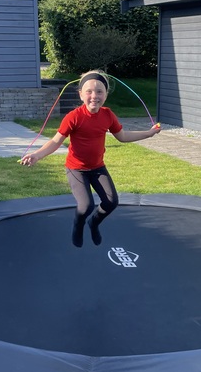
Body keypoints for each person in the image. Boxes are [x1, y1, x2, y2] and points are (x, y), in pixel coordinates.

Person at [20, 70, 161, 247]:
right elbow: (56, 141)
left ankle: (93, 223)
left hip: (97, 168)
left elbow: (123, 136)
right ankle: (78, 225)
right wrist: (36, 155)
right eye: (89, 91)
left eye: (99, 91)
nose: (94, 96)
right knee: (85, 206)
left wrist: (149, 133)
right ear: (80, 94)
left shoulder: (108, 115)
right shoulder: (73, 117)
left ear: (106, 95)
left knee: (111, 202)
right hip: (76, 169)